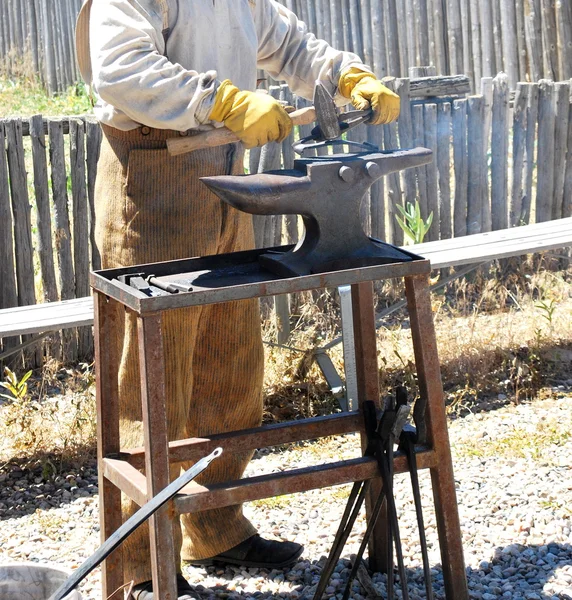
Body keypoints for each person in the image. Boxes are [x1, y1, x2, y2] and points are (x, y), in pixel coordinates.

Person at [75, 0, 400, 597]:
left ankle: (216, 529)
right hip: (151, 179)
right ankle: (142, 562)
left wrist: (347, 74)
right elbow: (119, 69)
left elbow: (293, 48)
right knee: (151, 385)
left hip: (224, 174)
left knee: (230, 368)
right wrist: (221, 100)